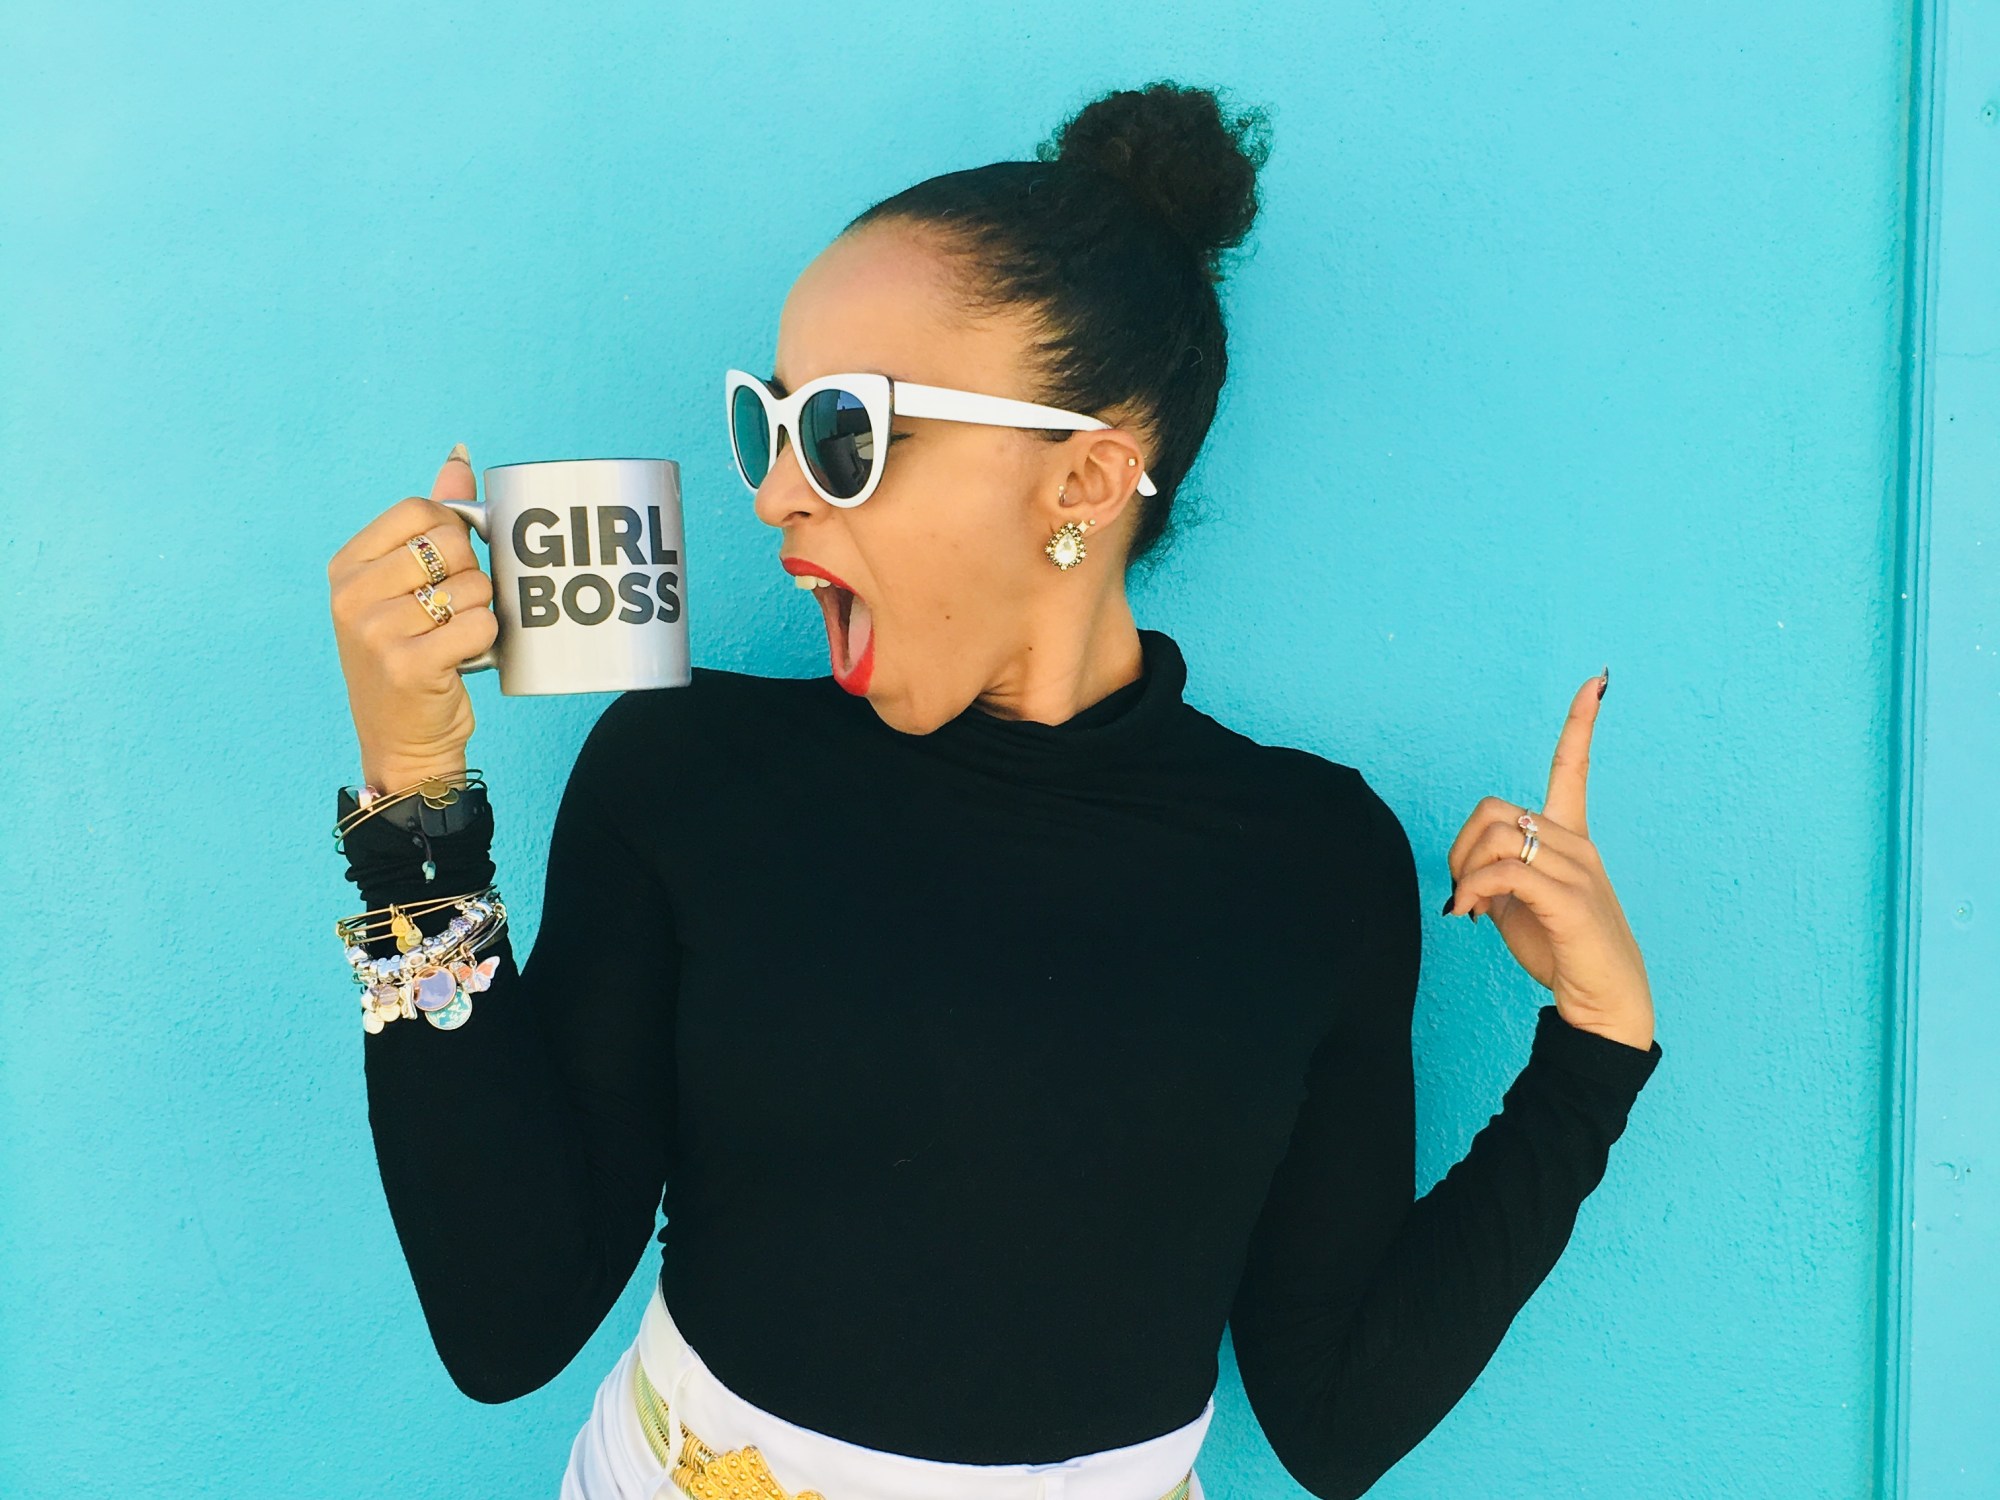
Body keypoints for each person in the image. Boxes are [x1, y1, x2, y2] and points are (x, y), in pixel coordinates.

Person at [325, 81, 1662, 1500]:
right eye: (767, 427)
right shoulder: (688, 774)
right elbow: (505, 1322)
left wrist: (1596, 1049)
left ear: (1083, 479)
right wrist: (415, 809)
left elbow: (1337, 1419)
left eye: (843, 438)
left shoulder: (1312, 865)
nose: (775, 495)